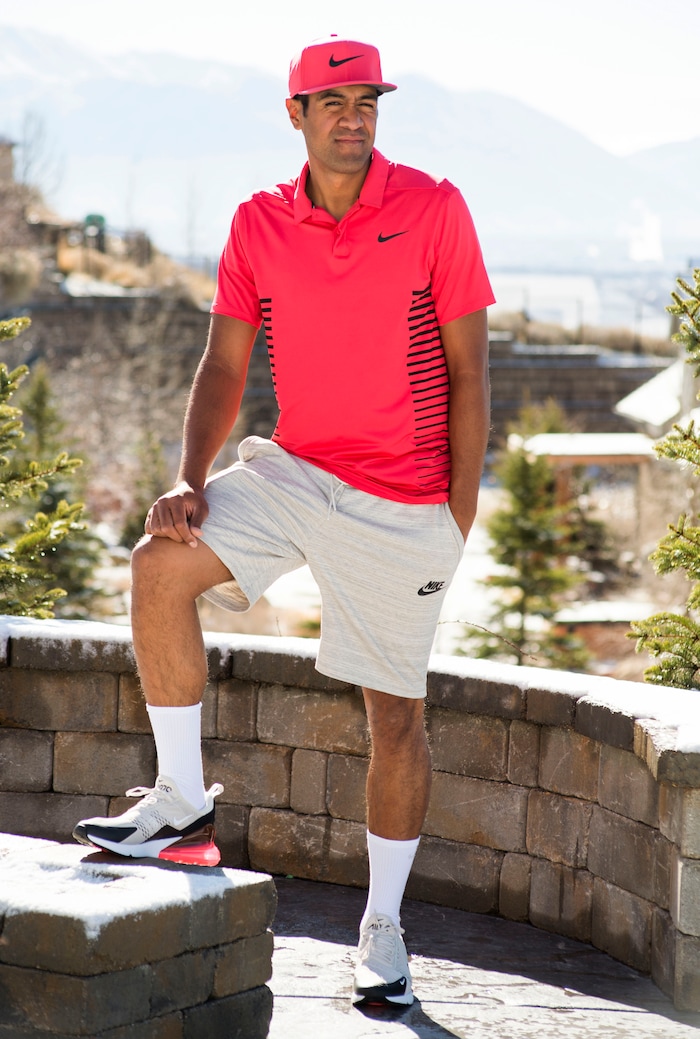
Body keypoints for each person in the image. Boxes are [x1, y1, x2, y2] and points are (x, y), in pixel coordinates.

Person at [73, 34, 494, 1007]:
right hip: (297, 470)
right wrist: (189, 479)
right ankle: (180, 802)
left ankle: (383, 924)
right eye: (334, 102)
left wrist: (454, 514)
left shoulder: (432, 208)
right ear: (296, 114)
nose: (355, 118)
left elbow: (472, 373)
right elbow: (225, 366)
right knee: (159, 562)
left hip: (402, 500)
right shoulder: (258, 223)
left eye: (369, 103)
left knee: (394, 718)